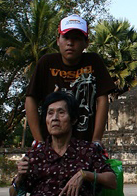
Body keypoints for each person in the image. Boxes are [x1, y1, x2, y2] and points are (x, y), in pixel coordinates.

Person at [25, 14, 117, 146]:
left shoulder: (93, 62)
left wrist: (96, 139)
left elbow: (102, 99)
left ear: (86, 43)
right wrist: (38, 140)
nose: (70, 43)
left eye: (77, 39)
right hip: (51, 143)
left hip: (84, 142)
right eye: (66, 37)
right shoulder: (47, 63)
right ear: (58, 40)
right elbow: (31, 98)